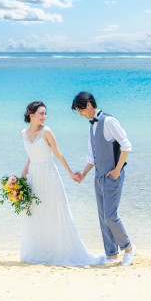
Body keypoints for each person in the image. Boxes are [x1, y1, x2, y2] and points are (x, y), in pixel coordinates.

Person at [19, 101, 106, 266]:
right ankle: (39, 251)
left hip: (49, 175)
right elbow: (31, 155)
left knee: (53, 212)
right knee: (35, 213)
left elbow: (58, 154)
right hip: (34, 177)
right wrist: (24, 172)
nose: (44, 117)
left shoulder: (46, 131)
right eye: (41, 113)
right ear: (32, 115)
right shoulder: (23, 133)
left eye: (45, 113)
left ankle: (57, 251)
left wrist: (71, 173)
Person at [71, 91, 136, 266]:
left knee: (110, 216)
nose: (80, 114)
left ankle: (128, 248)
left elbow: (126, 145)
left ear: (88, 105)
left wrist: (117, 170)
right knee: (103, 217)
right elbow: (92, 155)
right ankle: (111, 254)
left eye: (80, 110)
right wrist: (84, 173)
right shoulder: (91, 127)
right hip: (98, 177)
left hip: (112, 176)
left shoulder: (109, 121)